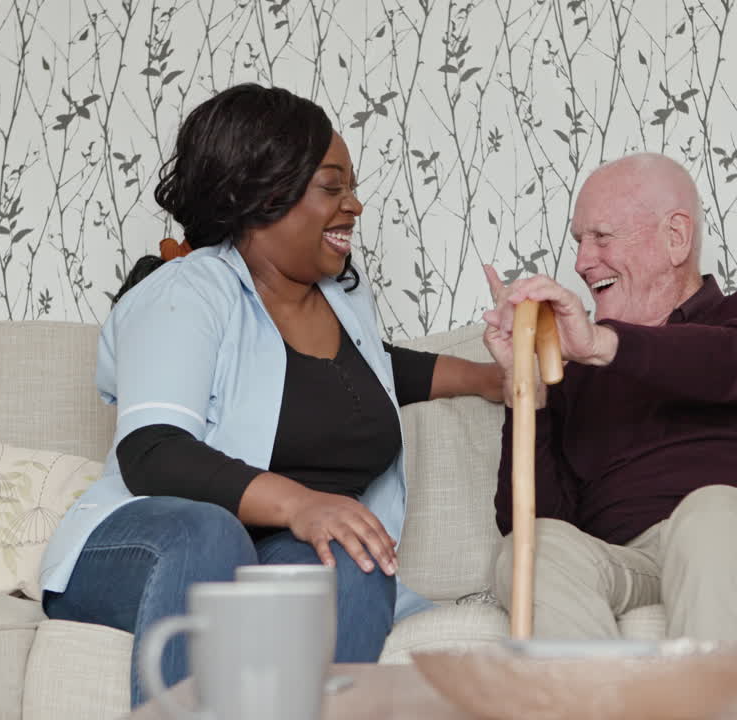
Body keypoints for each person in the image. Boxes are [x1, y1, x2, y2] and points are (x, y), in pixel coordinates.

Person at [38, 83, 503, 707]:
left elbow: (376, 371)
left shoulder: (343, 299)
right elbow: (152, 451)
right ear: (262, 197)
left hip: (267, 551)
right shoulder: (184, 294)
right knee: (211, 533)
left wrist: (490, 378)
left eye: (352, 187)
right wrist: (301, 504)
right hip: (148, 548)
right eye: (332, 187)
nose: (355, 205)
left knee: (356, 552)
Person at [480, 152, 737, 646]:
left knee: (710, 515)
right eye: (578, 242)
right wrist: (525, 392)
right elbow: (537, 520)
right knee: (529, 549)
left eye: (601, 237)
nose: (581, 261)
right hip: (638, 561)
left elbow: (736, 363)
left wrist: (604, 345)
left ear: (676, 236)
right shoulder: (573, 370)